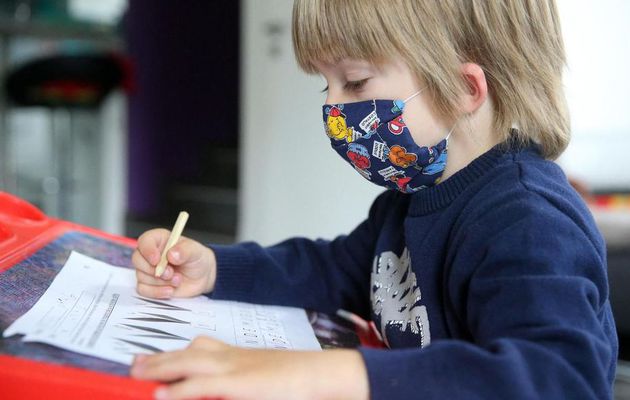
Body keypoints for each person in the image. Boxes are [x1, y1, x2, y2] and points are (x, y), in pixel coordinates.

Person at [130, 1, 618, 399]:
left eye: (356, 82)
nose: (331, 107)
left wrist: (314, 376)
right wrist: (216, 267)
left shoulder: (528, 219)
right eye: (328, 85)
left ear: (466, 87)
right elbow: (334, 269)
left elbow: (558, 378)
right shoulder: (410, 198)